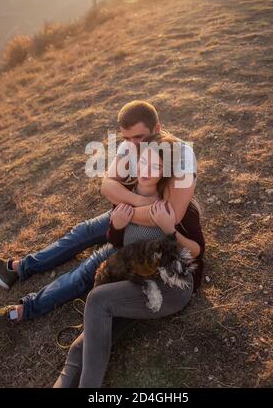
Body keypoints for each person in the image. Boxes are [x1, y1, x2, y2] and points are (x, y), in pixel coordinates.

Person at [0, 101, 197, 334]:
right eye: (126, 138)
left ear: (157, 128)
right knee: (83, 230)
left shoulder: (181, 156)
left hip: (149, 237)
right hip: (127, 215)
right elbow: (107, 186)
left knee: (88, 269)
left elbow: (169, 215)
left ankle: (22, 310)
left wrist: (128, 210)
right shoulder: (131, 145)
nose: (131, 145)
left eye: (138, 137)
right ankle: (18, 268)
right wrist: (138, 203)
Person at [54, 132, 205, 388]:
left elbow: (196, 252)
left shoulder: (175, 208)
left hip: (170, 287)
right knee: (81, 345)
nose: (147, 170)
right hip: (136, 283)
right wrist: (118, 226)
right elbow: (118, 245)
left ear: (165, 173)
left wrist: (170, 230)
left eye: (156, 167)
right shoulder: (127, 198)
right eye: (144, 163)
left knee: (97, 300)